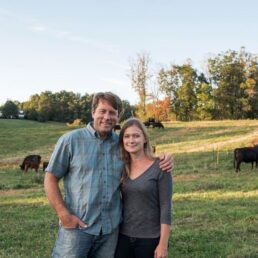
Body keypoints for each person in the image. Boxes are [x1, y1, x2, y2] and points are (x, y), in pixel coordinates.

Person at [44, 92, 172, 258]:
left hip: (110, 232)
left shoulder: (121, 144)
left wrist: (163, 159)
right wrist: (63, 214)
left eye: (112, 112)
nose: (107, 117)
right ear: (93, 112)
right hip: (77, 228)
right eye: (102, 111)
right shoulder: (71, 140)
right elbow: (50, 177)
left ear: (118, 116)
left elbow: (141, 161)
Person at [115, 118, 172, 258]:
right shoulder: (121, 167)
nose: (131, 140)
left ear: (145, 139)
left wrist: (163, 244)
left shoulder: (160, 166)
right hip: (123, 237)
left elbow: (166, 206)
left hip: (150, 239)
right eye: (127, 136)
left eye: (136, 135)